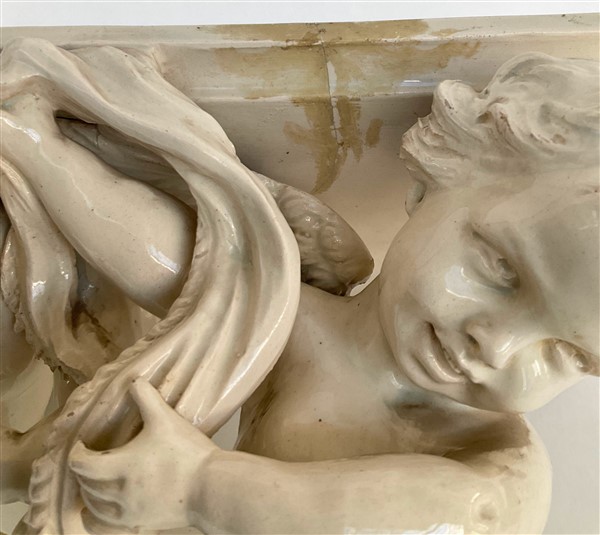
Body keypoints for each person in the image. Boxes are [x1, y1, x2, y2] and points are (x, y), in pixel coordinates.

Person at [63, 53, 599, 534]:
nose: (497, 347)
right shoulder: (288, 321)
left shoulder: (497, 460)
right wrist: (40, 146)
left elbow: (463, 516)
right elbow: (173, 262)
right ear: (435, 181)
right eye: (501, 267)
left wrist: (205, 487)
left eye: (568, 352)